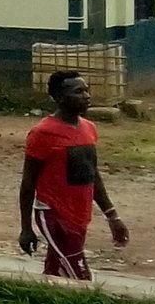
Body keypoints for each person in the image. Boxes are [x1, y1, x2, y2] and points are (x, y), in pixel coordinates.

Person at [17, 69, 128, 280]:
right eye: (78, 92)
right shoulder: (43, 133)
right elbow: (28, 183)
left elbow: (92, 175)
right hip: (53, 216)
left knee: (56, 274)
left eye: (87, 90)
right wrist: (26, 228)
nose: (86, 96)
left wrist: (112, 216)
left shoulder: (89, 128)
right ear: (59, 98)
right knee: (81, 278)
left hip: (79, 216)